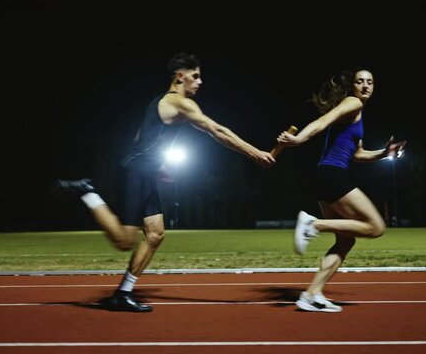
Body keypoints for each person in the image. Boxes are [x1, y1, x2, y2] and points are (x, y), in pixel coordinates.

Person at [55, 52, 276, 312]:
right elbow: (217, 131)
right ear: (180, 76)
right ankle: (88, 192)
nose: (200, 81)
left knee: (156, 234)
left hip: (143, 172)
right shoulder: (179, 102)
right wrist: (255, 153)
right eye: (196, 76)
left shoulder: (158, 103)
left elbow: (140, 137)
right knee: (124, 241)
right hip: (136, 172)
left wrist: (155, 166)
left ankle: (122, 294)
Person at [276, 67, 406, 312]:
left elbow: (357, 154)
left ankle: (311, 294)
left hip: (326, 176)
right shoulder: (352, 103)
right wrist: (299, 139)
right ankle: (313, 225)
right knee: (376, 227)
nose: (365, 85)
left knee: (345, 241)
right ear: (353, 86)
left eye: (370, 81)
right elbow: (322, 122)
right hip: (332, 174)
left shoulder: (358, 113)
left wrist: (383, 153)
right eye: (360, 81)